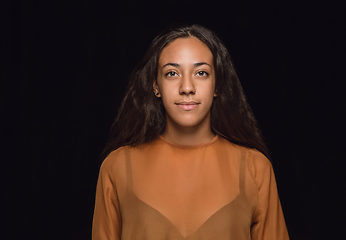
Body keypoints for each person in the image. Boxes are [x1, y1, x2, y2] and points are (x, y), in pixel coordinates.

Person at [92, 24, 289, 240]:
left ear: (217, 85)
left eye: (201, 72)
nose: (187, 87)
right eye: (172, 73)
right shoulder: (117, 167)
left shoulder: (255, 168)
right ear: (155, 85)